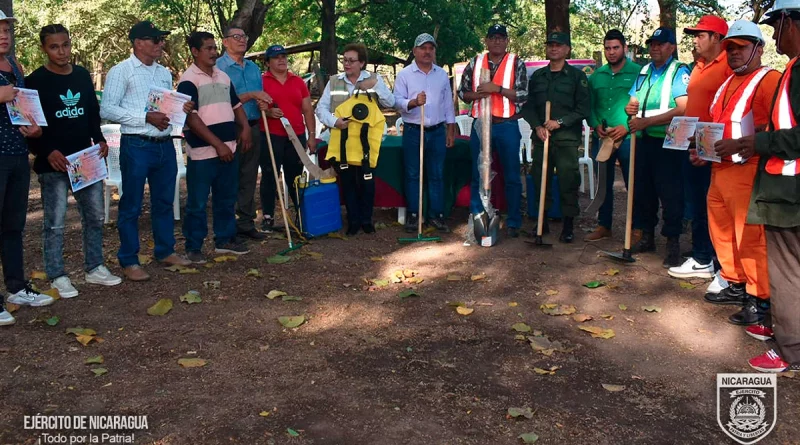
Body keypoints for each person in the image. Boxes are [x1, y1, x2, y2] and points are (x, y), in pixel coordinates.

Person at [715, 0, 800, 373]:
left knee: (784, 271)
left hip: (783, 185)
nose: (775, 33)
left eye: (775, 25)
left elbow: (778, 132)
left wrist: (755, 144)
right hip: (776, 180)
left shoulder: (774, 76)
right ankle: (786, 330)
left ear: (788, 22)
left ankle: (790, 348)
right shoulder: (793, 69)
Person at [688, 21, 779, 330]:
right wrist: (701, 149)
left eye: (741, 47)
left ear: (758, 48)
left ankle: (759, 299)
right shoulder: (728, 83)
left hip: (748, 170)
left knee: (749, 237)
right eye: (730, 48)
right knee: (722, 232)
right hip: (719, 170)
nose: (734, 53)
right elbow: (716, 124)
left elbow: (780, 128)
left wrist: (739, 145)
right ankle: (736, 282)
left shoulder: (769, 80)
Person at [26, 24, 122, 299]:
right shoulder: (36, 81)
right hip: (54, 163)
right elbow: (30, 125)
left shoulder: (81, 76)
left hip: (85, 160)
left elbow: (91, 113)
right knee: (54, 222)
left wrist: (100, 139)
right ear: (44, 49)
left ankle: (95, 267)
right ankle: (57, 275)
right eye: (54, 46)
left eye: (65, 44)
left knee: (94, 216)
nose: (61, 51)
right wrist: (45, 151)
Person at [100, 21, 194, 281]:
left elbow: (164, 106)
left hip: (165, 145)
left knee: (164, 202)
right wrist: (145, 118)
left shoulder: (163, 72)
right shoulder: (122, 71)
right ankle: (129, 260)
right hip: (137, 145)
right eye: (155, 39)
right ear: (138, 42)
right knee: (131, 205)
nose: (160, 44)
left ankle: (165, 251)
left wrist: (180, 109)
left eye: (161, 39)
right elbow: (107, 108)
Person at [177, 31, 253, 263]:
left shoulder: (222, 76)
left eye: (214, 48)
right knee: (198, 202)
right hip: (204, 152)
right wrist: (218, 145)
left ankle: (225, 240)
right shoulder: (188, 80)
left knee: (226, 197)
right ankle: (194, 246)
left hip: (229, 148)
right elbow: (192, 118)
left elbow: (236, 104)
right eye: (208, 48)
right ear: (195, 51)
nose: (213, 52)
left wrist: (245, 128)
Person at [0, 10, 54, 326]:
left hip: (17, 155)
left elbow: (24, 110)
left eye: (7, 29)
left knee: (13, 226)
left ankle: (17, 288)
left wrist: (35, 129)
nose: (4, 35)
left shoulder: (15, 66)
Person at [667, 15, 731, 281]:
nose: (695, 40)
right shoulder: (698, 66)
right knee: (695, 202)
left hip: (711, 149)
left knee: (709, 205)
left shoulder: (728, 65)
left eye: (701, 35)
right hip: (690, 145)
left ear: (717, 38)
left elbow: (725, 111)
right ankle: (701, 256)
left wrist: (707, 150)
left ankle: (709, 259)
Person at [625, 27, 692, 267]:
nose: (654, 47)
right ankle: (647, 237)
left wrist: (647, 121)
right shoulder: (644, 71)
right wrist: (630, 109)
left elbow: (683, 107)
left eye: (660, 44)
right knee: (644, 191)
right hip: (644, 141)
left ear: (671, 47)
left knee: (671, 193)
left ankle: (672, 243)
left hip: (669, 142)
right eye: (652, 43)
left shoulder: (678, 71)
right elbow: (633, 101)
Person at [457, 24, 528, 238]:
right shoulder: (475, 62)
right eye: (493, 37)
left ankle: (514, 220)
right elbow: (462, 92)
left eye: (501, 37)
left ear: (507, 41)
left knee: (512, 174)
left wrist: (497, 89)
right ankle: (478, 216)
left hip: (506, 125)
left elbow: (523, 94)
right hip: (481, 125)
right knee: (479, 173)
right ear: (486, 41)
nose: (497, 41)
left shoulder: (516, 63)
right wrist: (479, 95)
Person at [316, 43, 395, 235]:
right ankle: (353, 220)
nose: (347, 64)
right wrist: (335, 121)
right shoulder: (334, 81)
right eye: (344, 60)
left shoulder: (374, 79)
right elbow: (320, 108)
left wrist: (374, 85)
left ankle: (367, 220)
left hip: (368, 144)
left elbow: (391, 103)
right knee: (348, 182)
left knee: (367, 182)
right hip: (342, 143)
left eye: (352, 60)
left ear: (362, 63)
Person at [522, 31, 590, 243]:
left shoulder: (577, 77)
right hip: (542, 138)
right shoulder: (538, 77)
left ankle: (568, 224)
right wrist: (536, 126)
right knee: (539, 179)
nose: (554, 48)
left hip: (566, 139)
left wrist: (559, 122)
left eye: (558, 45)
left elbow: (583, 108)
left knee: (568, 180)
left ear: (567, 50)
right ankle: (541, 221)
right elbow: (529, 105)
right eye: (550, 45)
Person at [394, 33, 456, 234]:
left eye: (431, 48)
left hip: (437, 131)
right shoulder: (404, 74)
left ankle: (436, 215)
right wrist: (412, 102)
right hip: (413, 131)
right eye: (423, 48)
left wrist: (450, 129)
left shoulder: (441, 75)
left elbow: (448, 104)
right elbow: (396, 102)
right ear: (414, 51)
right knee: (413, 175)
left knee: (437, 174)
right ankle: (414, 215)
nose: (427, 52)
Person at [216, 26, 272, 241]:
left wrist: (262, 104)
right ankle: (227, 227)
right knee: (229, 178)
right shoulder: (219, 68)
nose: (242, 40)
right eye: (236, 37)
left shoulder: (252, 68)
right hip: (229, 128)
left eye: (244, 36)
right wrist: (250, 95)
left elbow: (258, 96)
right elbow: (222, 99)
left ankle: (246, 223)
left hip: (254, 125)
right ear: (225, 42)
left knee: (249, 176)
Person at [585, 29, 640, 242]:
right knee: (603, 183)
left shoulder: (638, 72)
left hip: (628, 138)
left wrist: (627, 127)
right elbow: (589, 106)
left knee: (633, 182)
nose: (611, 52)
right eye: (607, 48)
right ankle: (604, 225)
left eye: (616, 47)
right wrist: (595, 124)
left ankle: (636, 228)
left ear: (625, 48)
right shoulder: (597, 76)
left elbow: (642, 104)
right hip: (603, 138)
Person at [259, 44, 317, 232]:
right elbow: (254, 108)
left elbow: (307, 110)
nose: (282, 60)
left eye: (284, 56)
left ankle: (300, 214)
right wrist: (267, 112)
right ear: (268, 62)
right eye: (276, 57)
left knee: (296, 176)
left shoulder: (298, 81)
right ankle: (268, 217)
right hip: (271, 135)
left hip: (296, 136)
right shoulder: (261, 81)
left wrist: (312, 136)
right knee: (270, 175)